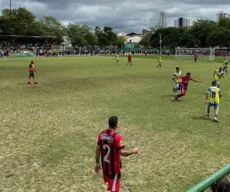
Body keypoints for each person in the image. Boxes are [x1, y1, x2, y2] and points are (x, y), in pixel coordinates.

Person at [95, 116, 139, 192]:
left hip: (105, 167)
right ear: (116, 125)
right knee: (114, 189)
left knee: (111, 187)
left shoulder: (101, 134)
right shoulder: (116, 136)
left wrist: (97, 163)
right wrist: (133, 151)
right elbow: (122, 153)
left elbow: (98, 149)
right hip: (114, 170)